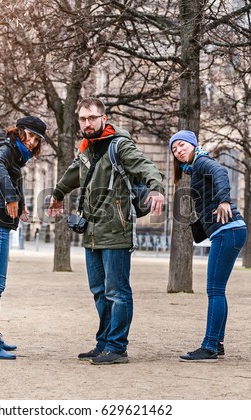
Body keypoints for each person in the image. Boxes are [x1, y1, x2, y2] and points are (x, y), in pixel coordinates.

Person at [48, 97, 165, 365]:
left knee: (117, 292)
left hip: (116, 231)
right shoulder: (87, 149)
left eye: (92, 118)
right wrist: (56, 194)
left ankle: (117, 347)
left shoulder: (119, 145)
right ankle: (103, 343)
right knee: (99, 291)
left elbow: (146, 166)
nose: (87, 123)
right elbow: (73, 173)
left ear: (103, 118)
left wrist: (156, 188)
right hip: (91, 233)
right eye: (83, 119)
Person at [169, 130, 247, 362]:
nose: (179, 150)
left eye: (182, 145)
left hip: (228, 231)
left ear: (193, 144)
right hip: (228, 232)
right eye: (174, 149)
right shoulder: (194, 168)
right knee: (217, 290)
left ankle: (210, 346)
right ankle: (217, 343)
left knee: (214, 290)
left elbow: (221, 172)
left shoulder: (202, 161)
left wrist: (224, 200)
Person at [0, 115, 47, 360]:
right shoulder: (6, 149)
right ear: (20, 132)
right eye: (31, 136)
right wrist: (11, 198)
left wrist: (23, 204)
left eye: (37, 140)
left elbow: (12, 177)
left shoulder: (14, 154)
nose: (33, 143)